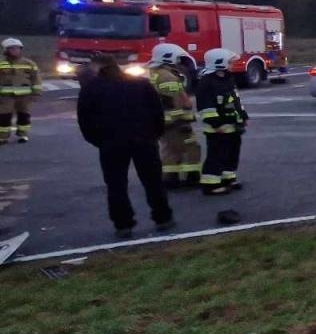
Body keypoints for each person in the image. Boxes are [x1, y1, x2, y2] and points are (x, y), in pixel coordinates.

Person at [76, 53, 175, 238]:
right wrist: (154, 134)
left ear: (97, 67)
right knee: (153, 181)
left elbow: (85, 120)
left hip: (111, 143)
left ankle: (123, 224)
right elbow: (157, 112)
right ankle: (163, 217)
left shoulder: (91, 89)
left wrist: (99, 141)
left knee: (116, 185)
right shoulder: (140, 83)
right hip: (144, 140)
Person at [195, 49, 248, 195]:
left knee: (231, 154)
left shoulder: (227, 78)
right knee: (216, 156)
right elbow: (206, 107)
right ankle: (210, 185)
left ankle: (228, 179)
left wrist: (243, 116)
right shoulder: (207, 82)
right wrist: (217, 124)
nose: (232, 65)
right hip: (218, 128)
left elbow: (235, 100)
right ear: (219, 63)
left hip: (232, 126)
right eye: (230, 62)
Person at [148, 43, 202, 186]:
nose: (179, 62)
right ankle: (191, 177)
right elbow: (175, 102)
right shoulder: (168, 77)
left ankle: (170, 177)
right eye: (177, 58)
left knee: (171, 149)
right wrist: (183, 121)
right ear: (168, 58)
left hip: (163, 121)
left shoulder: (155, 74)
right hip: (175, 121)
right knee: (191, 147)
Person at [0, 37, 43, 145]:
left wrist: (36, 93)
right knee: (4, 117)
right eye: (12, 48)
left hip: (25, 96)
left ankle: (23, 135)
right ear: (6, 50)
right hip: (5, 96)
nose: (15, 50)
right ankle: (3, 137)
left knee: (24, 115)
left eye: (17, 48)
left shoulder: (29, 63)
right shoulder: (1, 63)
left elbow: (36, 78)